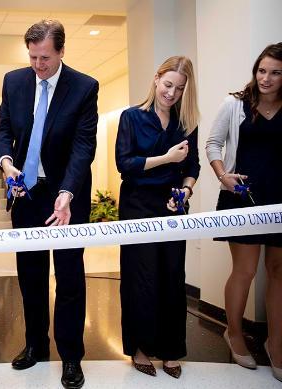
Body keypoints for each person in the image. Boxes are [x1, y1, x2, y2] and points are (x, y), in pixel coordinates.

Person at [0, 20, 98, 389]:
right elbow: (3, 129)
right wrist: (6, 163)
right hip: (26, 194)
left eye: (46, 58)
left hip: (66, 196)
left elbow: (84, 147)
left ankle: (71, 356)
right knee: (31, 275)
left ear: (62, 51)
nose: (38, 64)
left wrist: (67, 193)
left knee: (69, 276)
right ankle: (36, 344)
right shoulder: (14, 81)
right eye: (33, 56)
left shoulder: (84, 87)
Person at [115, 56, 200, 379]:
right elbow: (125, 163)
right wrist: (166, 158)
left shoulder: (186, 121)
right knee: (141, 279)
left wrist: (186, 191)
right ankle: (140, 348)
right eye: (168, 85)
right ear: (156, 79)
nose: (171, 94)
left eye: (179, 89)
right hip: (138, 205)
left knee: (172, 277)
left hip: (173, 206)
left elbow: (192, 167)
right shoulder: (132, 117)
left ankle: (170, 350)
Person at [206, 42, 282, 382]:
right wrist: (223, 177)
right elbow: (213, 144)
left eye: (275, 73)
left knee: (279, 271)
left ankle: (276, 343)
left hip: (280, 199)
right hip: (244, 197)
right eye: (261, 70)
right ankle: (233, 332)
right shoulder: (235, 103)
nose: (265, 78)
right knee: (246, 270)